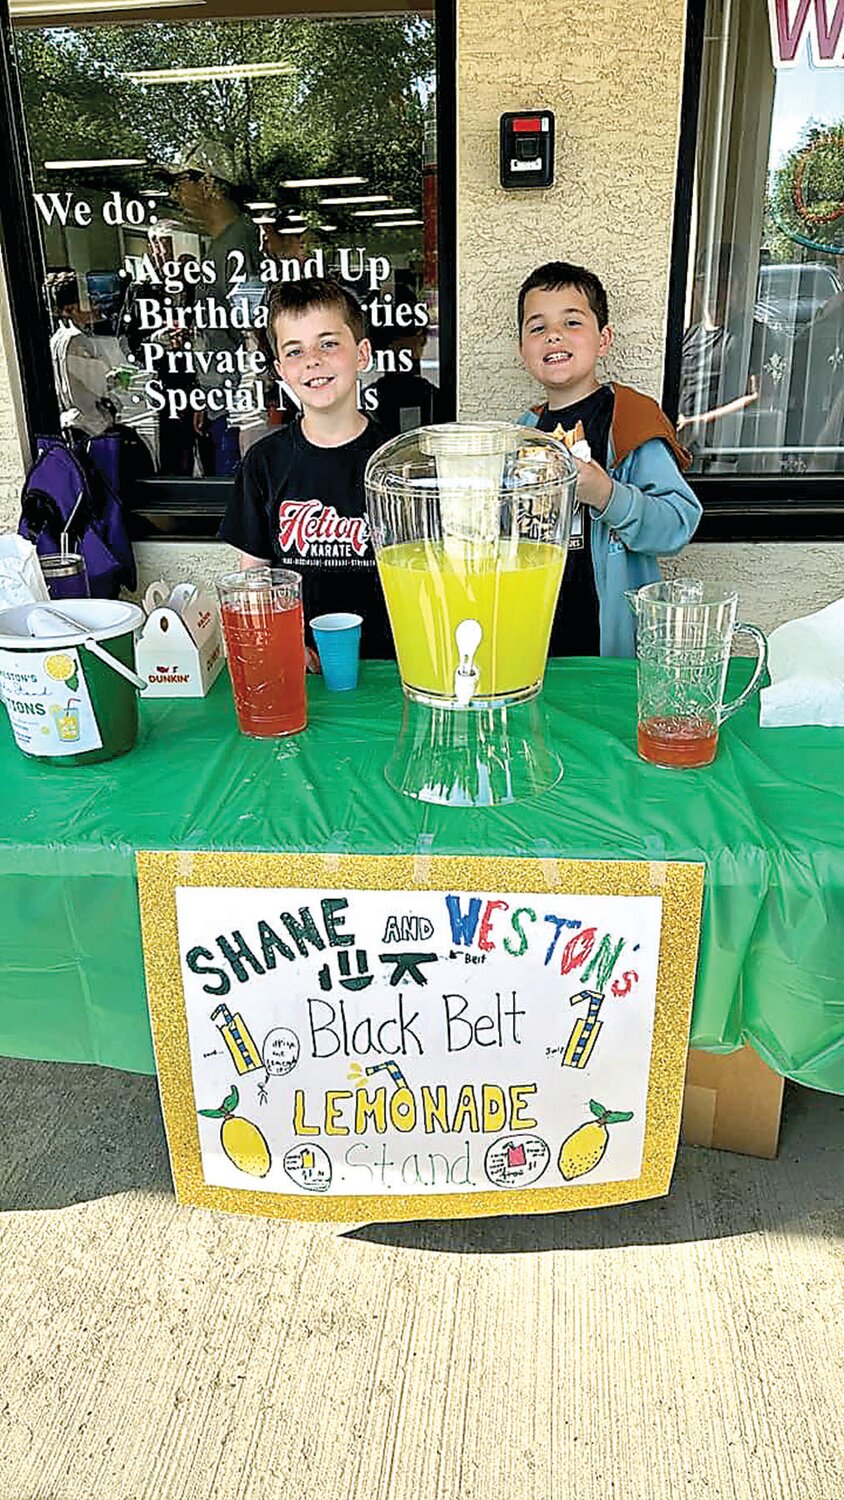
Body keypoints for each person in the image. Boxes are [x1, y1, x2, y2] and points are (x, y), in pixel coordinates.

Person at [516, 260, 702, 657]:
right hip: (536, 636)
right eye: (537, 327)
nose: (553, 336)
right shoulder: (524, 431)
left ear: (603, 339)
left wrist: (606, 495)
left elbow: (678, 523)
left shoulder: (631, 416)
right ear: (522, 349)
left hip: (609, 644)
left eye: (572, 323)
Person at [219, 275, 394, 659]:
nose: (313, 360)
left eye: (328, 344)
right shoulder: (263, 463)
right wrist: (281, 644)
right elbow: (254, 582)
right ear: (281, 369)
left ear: (362, 353)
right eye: (295, 351)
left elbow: (427, 576)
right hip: (300, 666)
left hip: (390, 663)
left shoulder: (397, 461)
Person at [165, 140, 260, 476]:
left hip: (240, 410)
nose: (176, 195)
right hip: (225, 404)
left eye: (179, 183)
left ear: (207, 181)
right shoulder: (223, 245)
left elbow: (253, 330)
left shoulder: (238, 244)